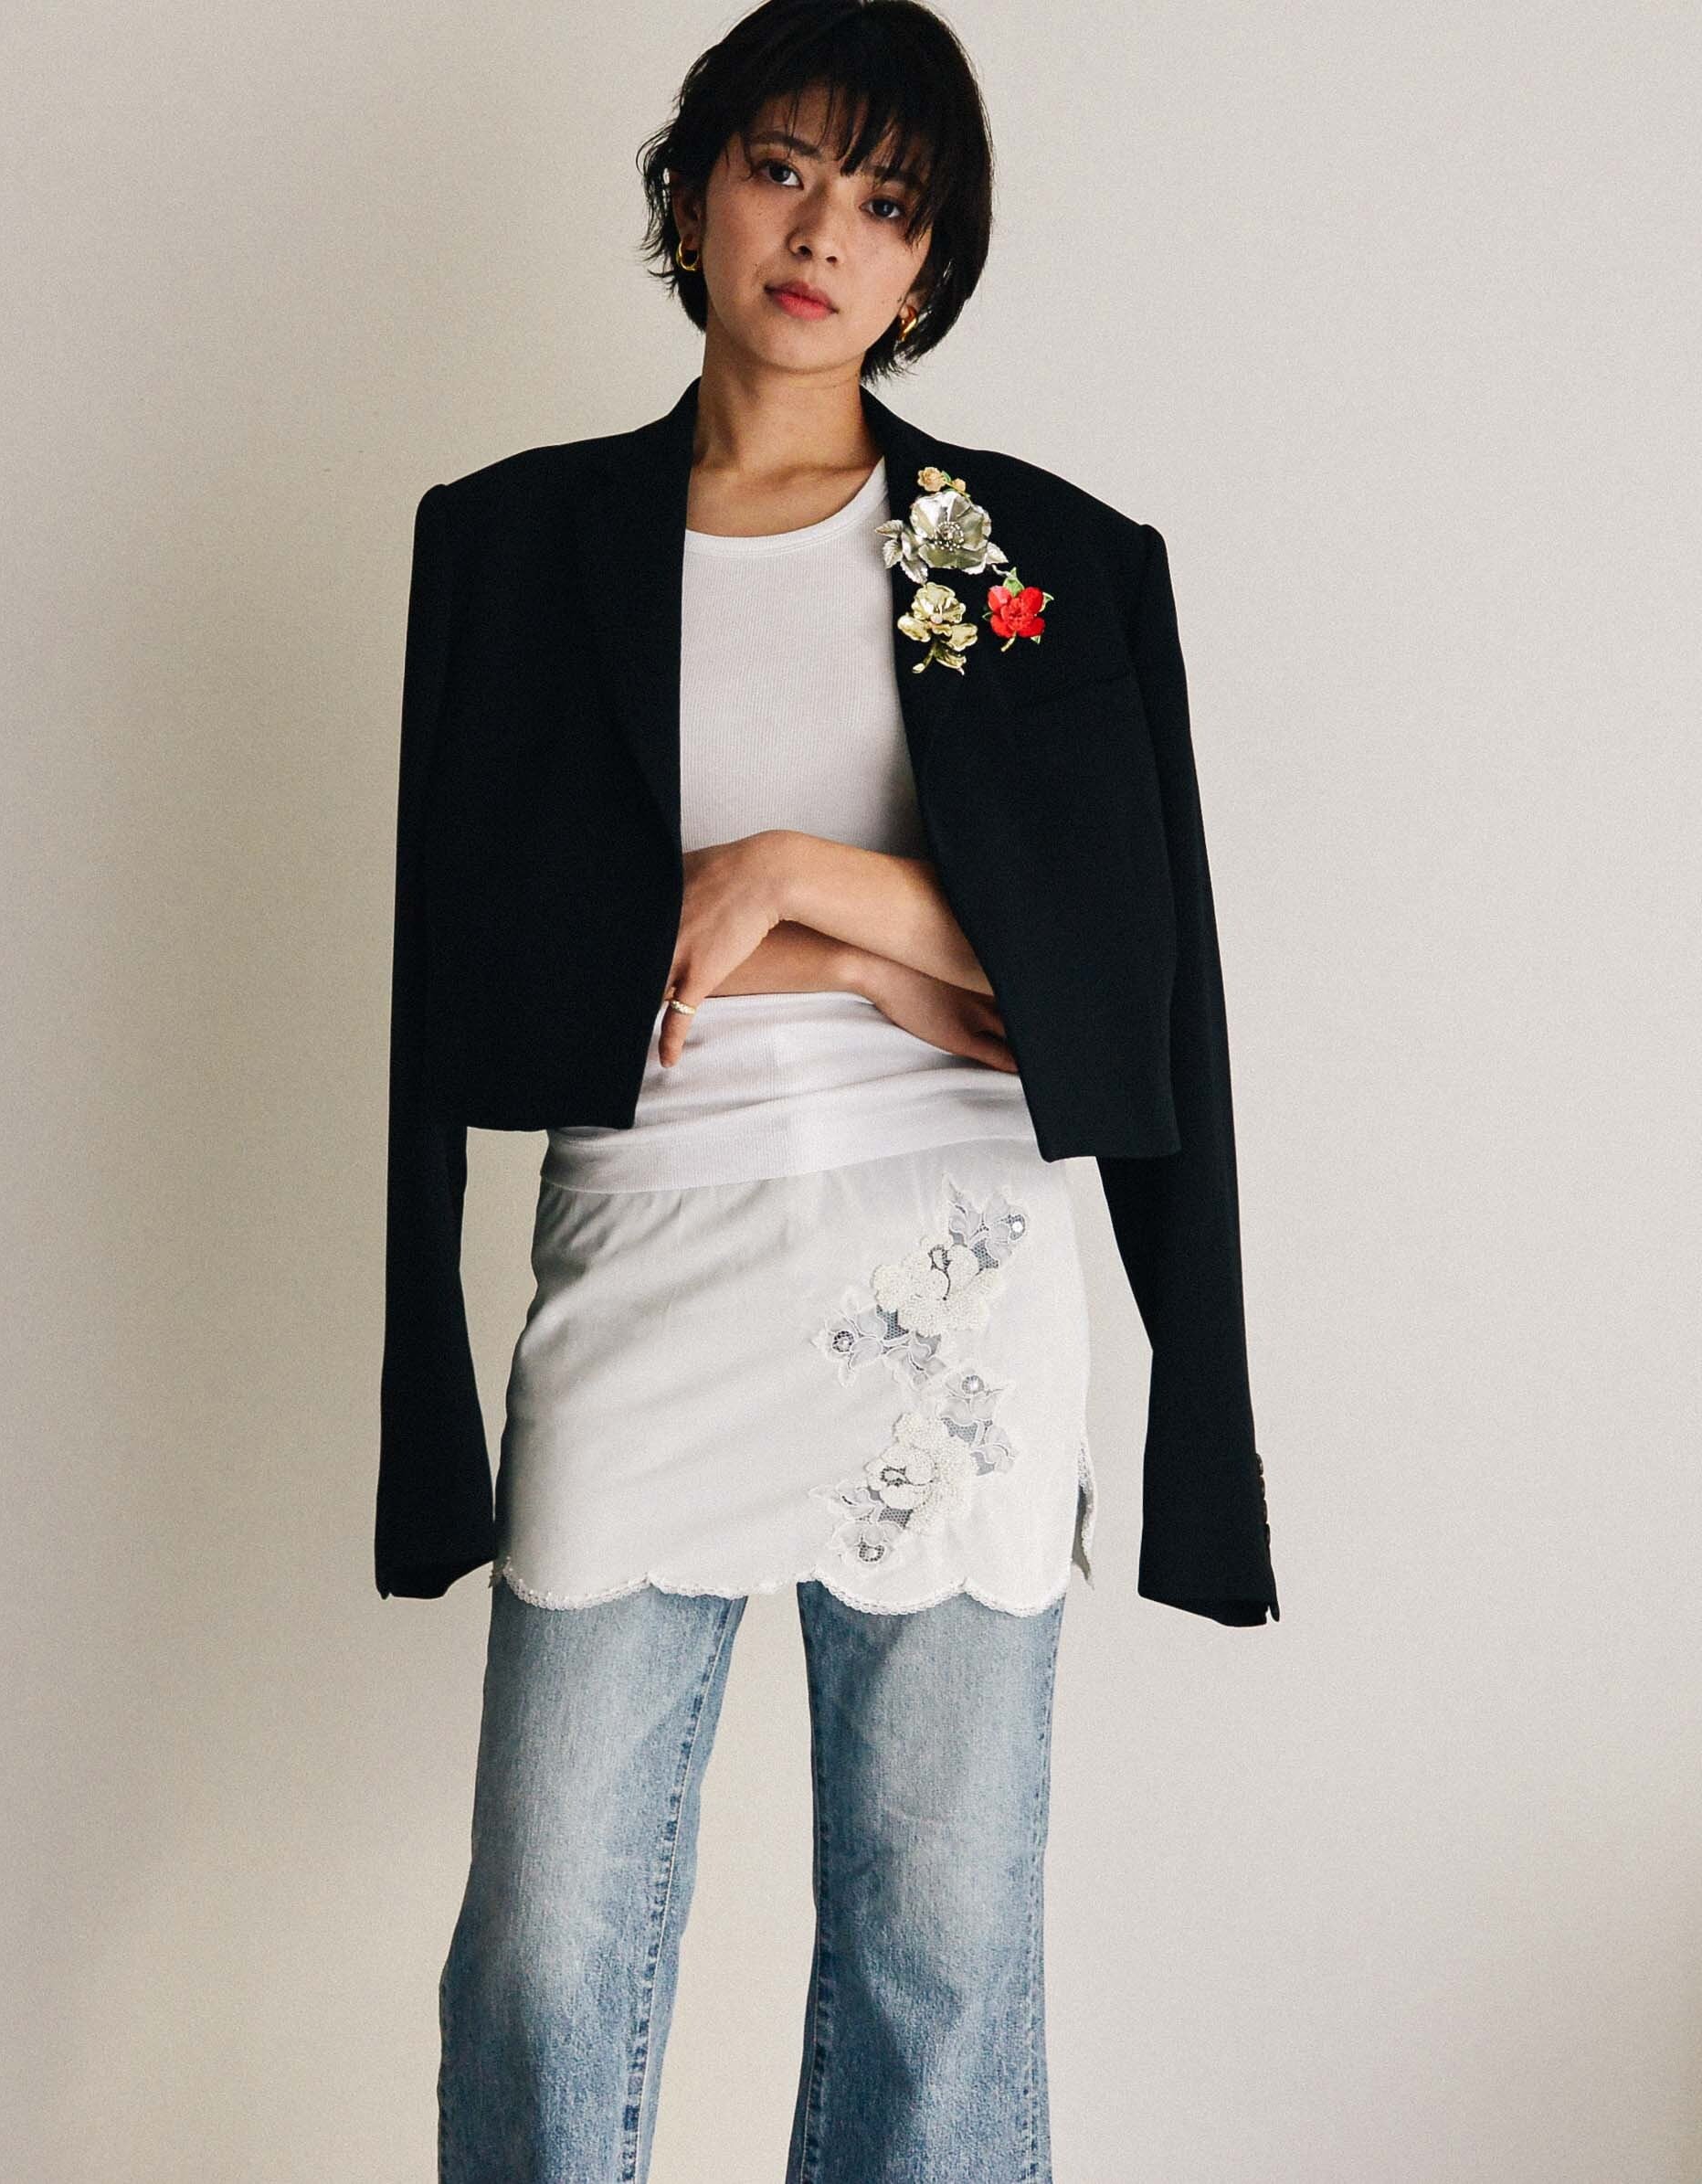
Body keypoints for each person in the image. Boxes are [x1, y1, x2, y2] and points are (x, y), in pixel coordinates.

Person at [380, 4, 1278, 2176]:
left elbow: (1116, 983)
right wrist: (902, 955)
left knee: (936, 1959)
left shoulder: (1035, 554)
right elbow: (485, 977)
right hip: (648, 1259)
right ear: (693, 185)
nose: (821, 235)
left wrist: (786, 883)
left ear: (926, 263)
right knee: (541, 1951)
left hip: (947, 1283)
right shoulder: (518, 546)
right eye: (782, 168)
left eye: (885, 204)